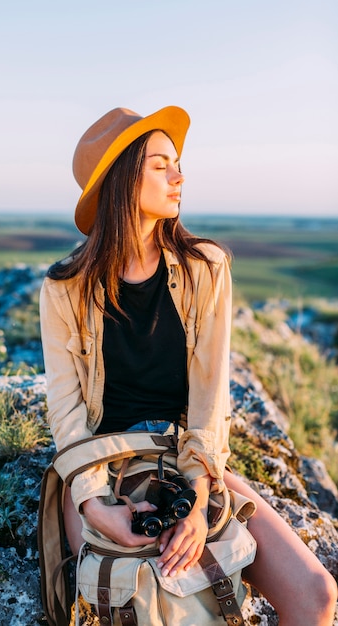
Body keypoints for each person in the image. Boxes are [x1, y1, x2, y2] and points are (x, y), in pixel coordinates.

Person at [39, 105, 337, 625]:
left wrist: (198, 500)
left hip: (185, 455)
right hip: (98, 462)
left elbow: (210, 398)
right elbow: (67, 415)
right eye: (160, 164)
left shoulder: (206, 268)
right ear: (121, 178)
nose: (179, 176)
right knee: (137, 607)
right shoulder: (65, 288)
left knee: (317, 597)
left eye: (177, 163)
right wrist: (93, 504)